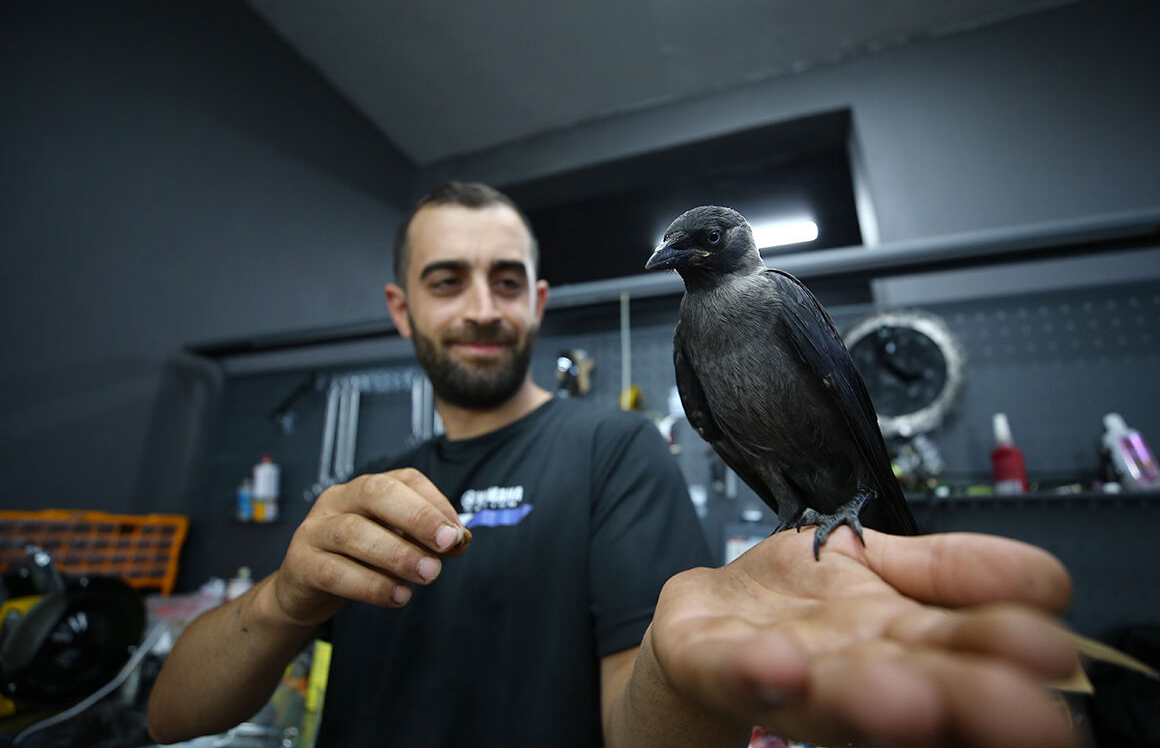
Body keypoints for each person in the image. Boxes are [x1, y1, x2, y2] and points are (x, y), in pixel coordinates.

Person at [148, 182, 1078, 748]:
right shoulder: (359, 494)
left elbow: (641, 730)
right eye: (446, 280)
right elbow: (171, 720)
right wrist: (281, 599)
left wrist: (679, 681)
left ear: (539, 299)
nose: (481, 307)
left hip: (853, 499)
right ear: (400, 308)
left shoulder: (614, 449)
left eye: (505, 279)